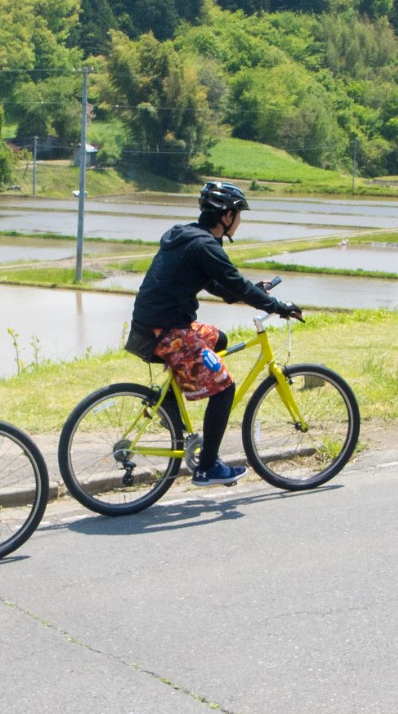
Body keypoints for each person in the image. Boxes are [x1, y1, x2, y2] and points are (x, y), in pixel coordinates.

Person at [128, 180, 303, 487]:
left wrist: (252, 292)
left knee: (217, 339)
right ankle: (208, 467)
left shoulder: (189, 236)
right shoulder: (205, 245)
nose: (239, 221)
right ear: (226, 216)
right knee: (224, 388)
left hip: (152, 324)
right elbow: (234, 282)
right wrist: (278, 306)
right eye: (238, 214)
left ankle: (170, 406)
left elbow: (221, 286)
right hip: (167, 332)